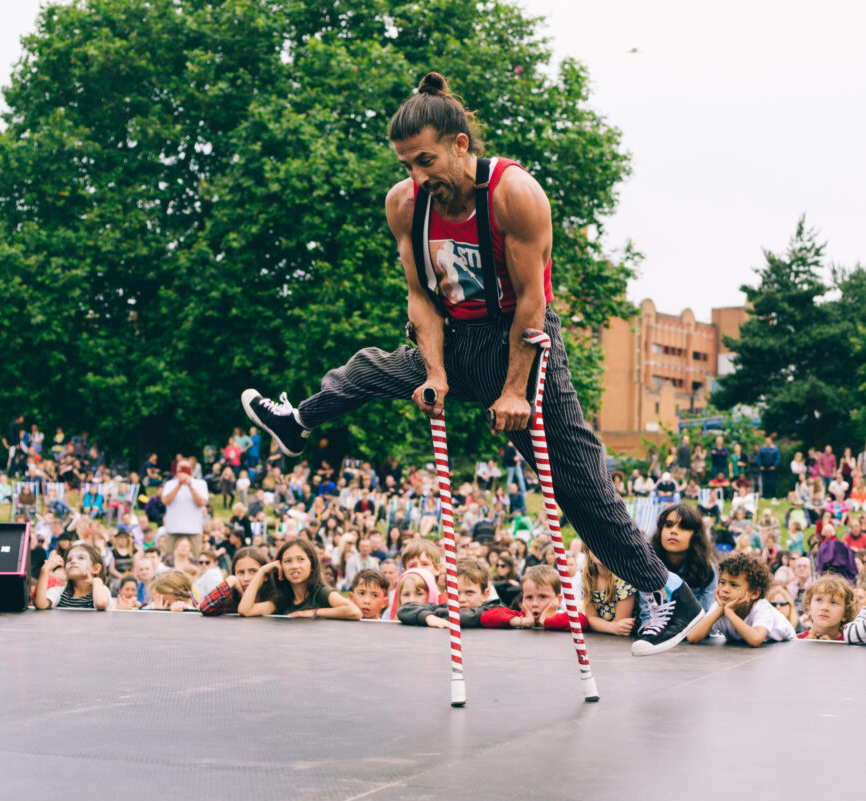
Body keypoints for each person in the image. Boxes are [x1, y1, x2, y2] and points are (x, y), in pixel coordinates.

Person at [239, 72, 704, 657]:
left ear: (461, 145)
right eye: (406, 163)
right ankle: (298, 421)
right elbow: (421, 300)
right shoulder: (406, 205)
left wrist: (514, 392)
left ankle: (670, 592)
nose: (417, 176)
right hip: (456, 338)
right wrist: (433, 373)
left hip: (523, 343)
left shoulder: (514, 194)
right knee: (371, 368)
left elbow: (533, 306)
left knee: (578, 486)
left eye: (426, 159)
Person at [687, 553, 795, 646]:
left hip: (787, 646)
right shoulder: (719, 606)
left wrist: (730, 612)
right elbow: (693, 637)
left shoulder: (761, 607)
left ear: (754, 593)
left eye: (733, 585)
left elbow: (756, 639)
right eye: (722, 582)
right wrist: (720, 610)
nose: (725, 589)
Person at [238, 539, 361, 620]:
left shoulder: (321, 593)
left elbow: (354, 611)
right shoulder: (282, 600)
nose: (295, 566)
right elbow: (245, 610)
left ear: (312, 565)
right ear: (281, 567)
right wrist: (262, 571)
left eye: (301, 559)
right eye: (288, 561)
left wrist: (313, 612)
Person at [480, 565, 589, 631]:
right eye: (529, 597)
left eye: (542, 597)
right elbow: (486, 617)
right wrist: (523, 621)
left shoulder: (563, 618)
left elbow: (582, 620)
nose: (534, 603)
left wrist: (546, 621)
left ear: (558, 600)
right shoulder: (521, 617)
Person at [398, 558, 499, 627]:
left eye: (469, 592)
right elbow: (405, 609)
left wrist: (440, 615)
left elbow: (469, 616)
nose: (461, 599)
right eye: (455, 593)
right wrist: (428, 617)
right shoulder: (441, 608)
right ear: (446, 595)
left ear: (485, 594)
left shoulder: (494, 611)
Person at [33, 542, 111, 610]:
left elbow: (101, 604)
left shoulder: (101, 590)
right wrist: (44, 570)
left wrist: (97, 580)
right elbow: (41, 604)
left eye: (81, 558)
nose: (73, 561)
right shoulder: (59, 592)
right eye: (69, 560)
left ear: (96, 569)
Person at [581, 543, 636, 637]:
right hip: (603, 635)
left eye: (605, 545)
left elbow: (621, 623)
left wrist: (598, 624)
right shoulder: (587, 575)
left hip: (627, 639)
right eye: (594, 545)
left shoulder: (624, 576)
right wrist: (612, 627)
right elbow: (590, 618)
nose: (599, 550)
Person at [198, 547, 267, 616]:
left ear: (266, 575)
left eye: (253, 571)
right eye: (241, 572)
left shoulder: (272, 598)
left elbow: (246, 610)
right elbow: (205, 608)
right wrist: (230, 581)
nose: (246, 578)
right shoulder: (231, 599)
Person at [160, 458, 209, 557]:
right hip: (173, 529)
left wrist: (190, 486)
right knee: (170, 557)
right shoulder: (170, 484)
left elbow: (201, 502)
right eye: (180, 468)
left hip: (193, 529)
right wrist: (179, 485)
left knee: (196, 557)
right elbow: (165, 501)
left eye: (185, 468)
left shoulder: (200, 484)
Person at [797, 574, 856, 641]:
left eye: (833, 602)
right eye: (819, 600)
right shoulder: (795, 641)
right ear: (808, 607)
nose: (824, 607)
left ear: (846, 613)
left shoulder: (850, 646)